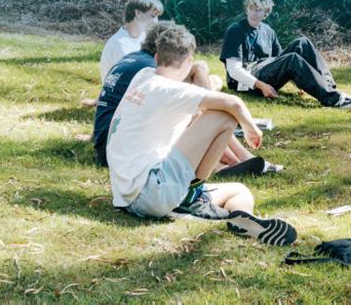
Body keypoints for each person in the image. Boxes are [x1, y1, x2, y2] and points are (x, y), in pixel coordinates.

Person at [106, 25, 296, 244]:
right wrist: (251, 128)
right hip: (152, 191)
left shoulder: (143, 76)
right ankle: (192, 196)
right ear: (189, 61)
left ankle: (243, 220)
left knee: (240, 191)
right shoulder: (168, 89)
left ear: (156, 57)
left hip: (129, 194)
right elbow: (234, 103)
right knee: (225, 115)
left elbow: (184, 85)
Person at [92, 21, 281, 175]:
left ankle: (228, 164)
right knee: (194, 115)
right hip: (123, 153)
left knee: (191, 111)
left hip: (111, 142)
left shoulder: (140, 66)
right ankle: (233, 161)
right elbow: (230, 103)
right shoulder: (151, 73)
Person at [220, 0, 351, 109]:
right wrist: (262, 86)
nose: (254, 13)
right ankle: (332, 99)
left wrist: (300, 80)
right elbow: (234, 70)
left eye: (258, 10)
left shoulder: (268, 30)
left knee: (302, 42)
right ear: (246, 8)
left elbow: (279, 62)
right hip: (246, 81)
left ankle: (330, 89)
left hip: (265, 69)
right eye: (251, 8)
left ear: (266, 12)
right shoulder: (235, 30)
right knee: (292, 59)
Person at [99, 0, 163, 83]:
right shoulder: (119, 44)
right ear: (138, 13)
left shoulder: (145, 38)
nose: (156, 21)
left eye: (157, 17)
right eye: (152, 16)